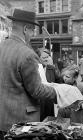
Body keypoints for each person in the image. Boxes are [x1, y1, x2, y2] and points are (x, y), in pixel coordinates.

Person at [0, 9, 57, 137]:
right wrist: (59, 92)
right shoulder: (27, 54)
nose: (32, 34)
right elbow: (36, 90)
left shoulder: (1, 46)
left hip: (2, 119)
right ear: (26, 29)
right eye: (32, 31)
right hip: (21, 125)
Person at [40, 49, 62, 121]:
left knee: (49, 122)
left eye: (47, 57)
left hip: (49, 102)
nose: (46, 59)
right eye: (44, 58)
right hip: (39, 102)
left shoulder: (52, 68)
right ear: (38, 58)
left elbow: (59, 81)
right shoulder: (34, 69)